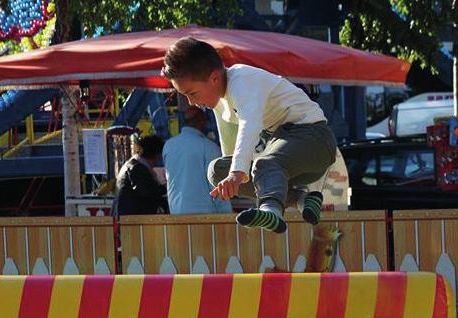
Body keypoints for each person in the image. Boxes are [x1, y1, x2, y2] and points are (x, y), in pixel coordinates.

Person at [162, 37, 338, 233]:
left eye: (192, 93)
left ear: (214, 78)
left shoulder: (242, 80)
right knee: (217, 170)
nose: (192, 102)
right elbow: (231, 151)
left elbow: (250, 125)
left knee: (263, 163)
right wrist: (231, 177)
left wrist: (237, 173)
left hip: (315, 140)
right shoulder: (221, 104)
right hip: (286, 154)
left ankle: (271, 210)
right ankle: (301, 199)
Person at [163, 106, 232, 215]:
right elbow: (217, 185)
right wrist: (227, 213)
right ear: (202, 122)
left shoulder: (169, 145)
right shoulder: (209, 147)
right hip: (206, 216)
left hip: (175, 212)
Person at [111, 135, 168, 217]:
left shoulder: (133, 164)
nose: (158, 161)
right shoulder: (137, 168)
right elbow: (146, 192)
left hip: (124, 218)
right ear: (156, 155)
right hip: (131, 220)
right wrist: (165, 189)